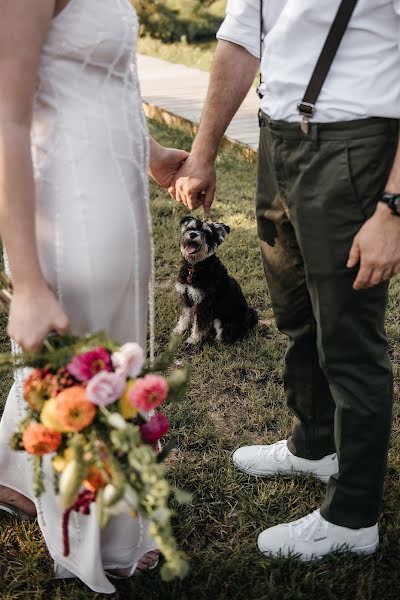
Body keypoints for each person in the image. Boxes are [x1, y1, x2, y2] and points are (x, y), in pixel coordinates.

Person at [171, 0, 400, 561]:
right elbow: (240, 38)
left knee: (348, 339)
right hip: (277, 141)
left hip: (355, 145)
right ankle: (314, 444)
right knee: (296, 316)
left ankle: (352, 517)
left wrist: (393, 208)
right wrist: (203, 150)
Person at [0, 0, 188, 593]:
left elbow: (101, 76)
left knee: (102, 355)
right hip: (69, 204)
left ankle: (13, 476)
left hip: (115, 190)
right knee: (84, 370)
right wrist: (27, 283)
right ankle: (95, 538)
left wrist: (153, 154)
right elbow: (7, 117)